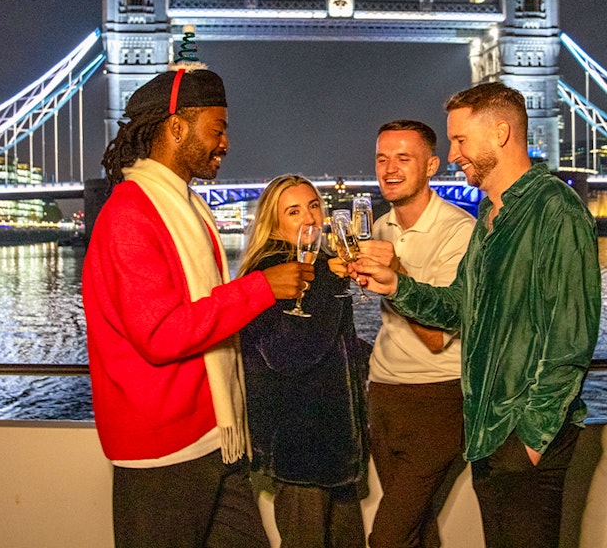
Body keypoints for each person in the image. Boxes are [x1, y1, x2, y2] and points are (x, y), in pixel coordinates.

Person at [352, 82, 601, 548]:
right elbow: (456, 307)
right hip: (488, 429)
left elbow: (571, 338)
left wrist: (531, 439)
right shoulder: (490, 213)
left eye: (461, 141)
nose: (451, 155)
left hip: (528, 437)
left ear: (501, 133)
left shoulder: (556, 209)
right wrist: (396, 285)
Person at [82, 65, 314, 548]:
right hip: (162, 454)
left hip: (215, 436)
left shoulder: (186, 207)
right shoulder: (128, 214)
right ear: (177, 127)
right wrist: (260, 289)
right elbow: (161, 334)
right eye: (218, 128)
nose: (226, 143)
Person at [237, 174, 370, 548]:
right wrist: (330, 282)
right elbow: (289, 353)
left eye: (313, 206)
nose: (309, 218)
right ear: (273, 221)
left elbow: (333, 344)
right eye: (294, 211)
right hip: (301, 448)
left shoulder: (322, 264)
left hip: (333, 448)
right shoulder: (272, 270)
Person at [361, 120, 475, 548]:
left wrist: (395, 274)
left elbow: (435, 336)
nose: (389, 169)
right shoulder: (381, 227)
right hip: (384, 392)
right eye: (381, 158)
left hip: (436, 399)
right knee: (415, 529)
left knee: (388, 536)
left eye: (403, 159)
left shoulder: (459, 232)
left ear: (431, 166)